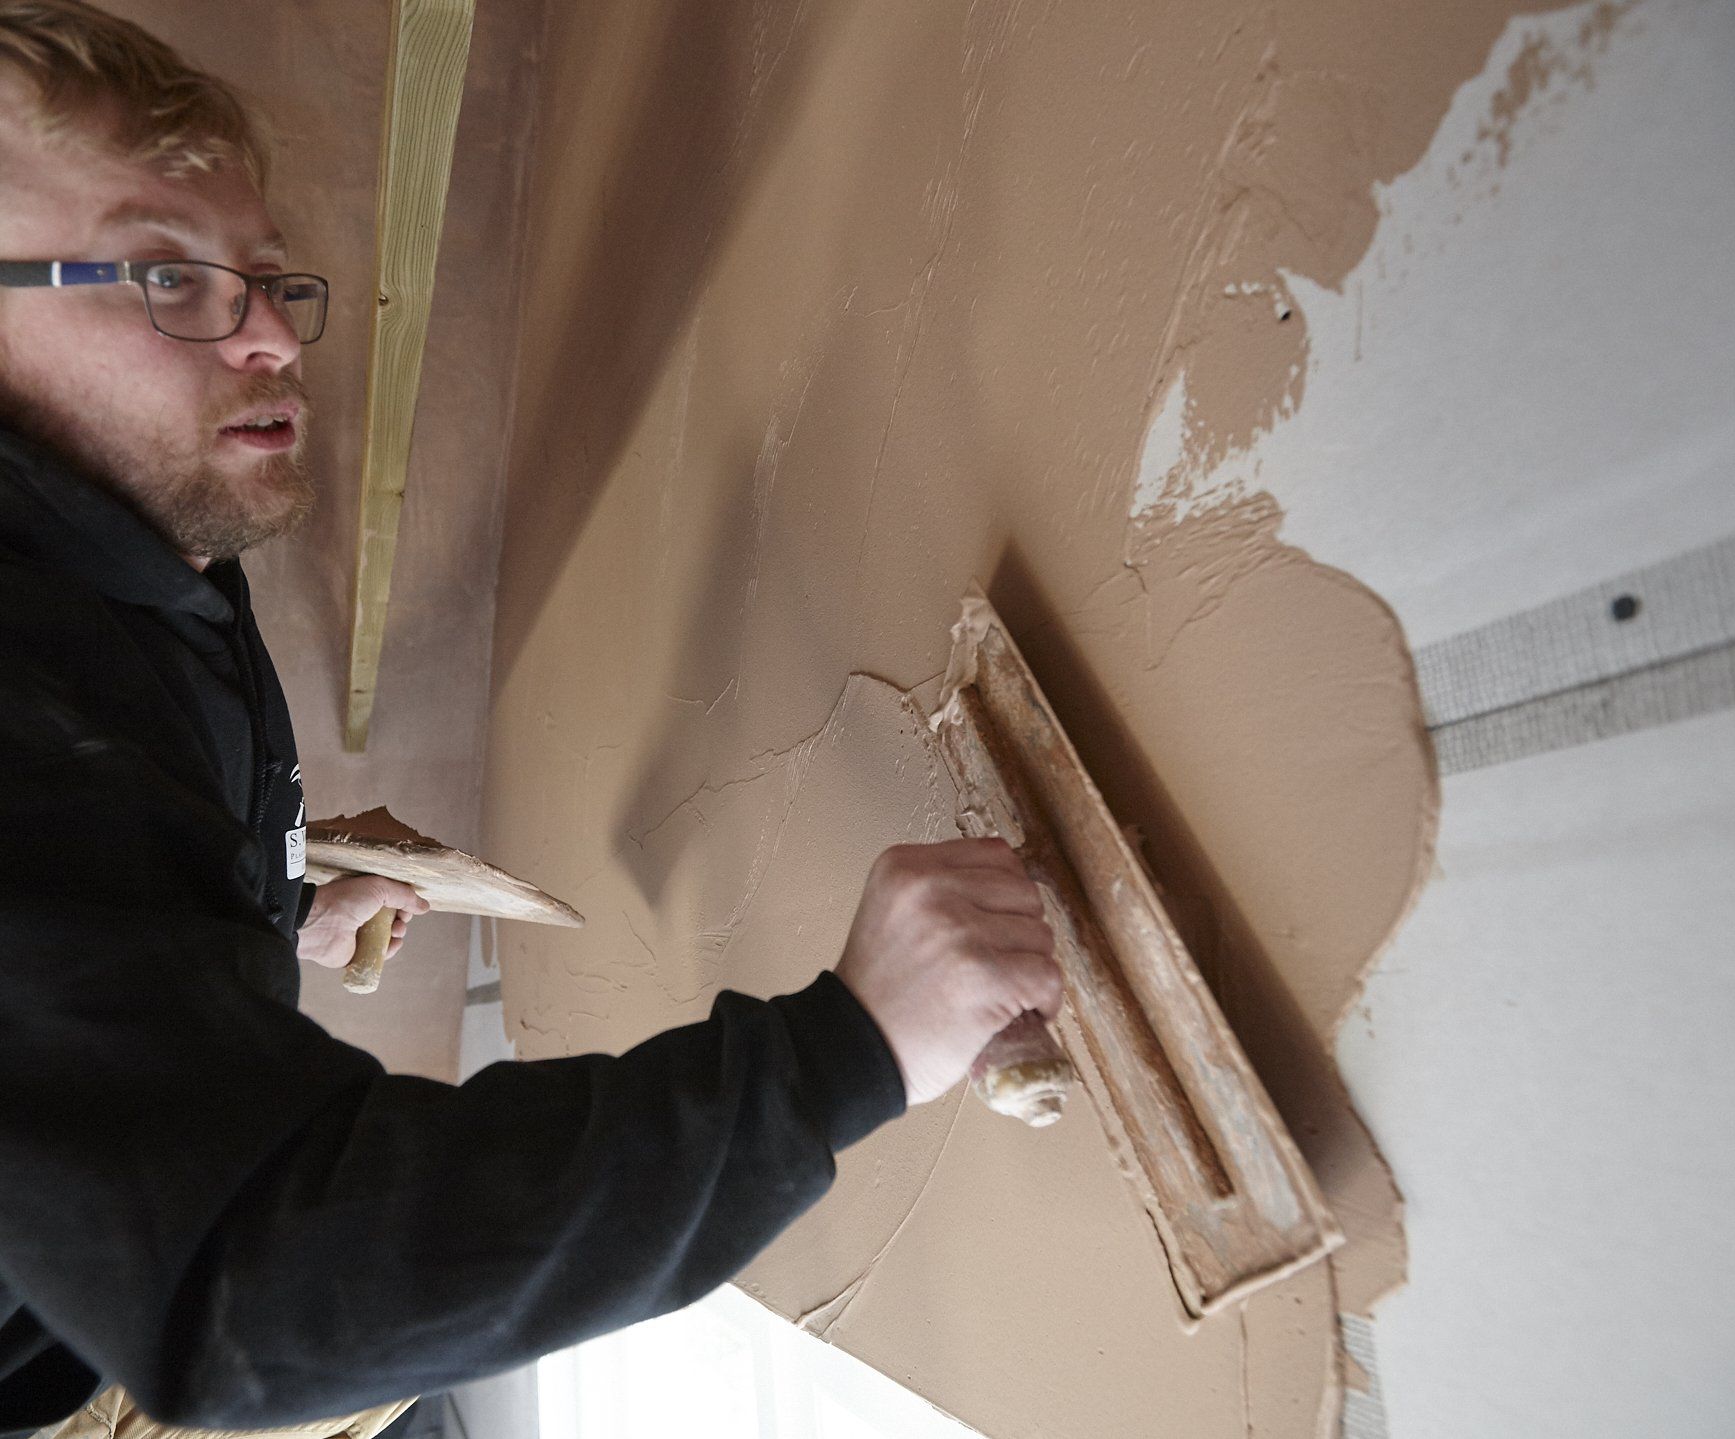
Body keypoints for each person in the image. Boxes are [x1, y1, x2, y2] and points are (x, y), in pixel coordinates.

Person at [0, 4, 1062, 1435]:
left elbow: (80, 880)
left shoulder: (129, 547)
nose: (271, 334)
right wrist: (857, 1050)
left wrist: (262, 898)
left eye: (262, 274)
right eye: (164, 275)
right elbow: (265, 1286)